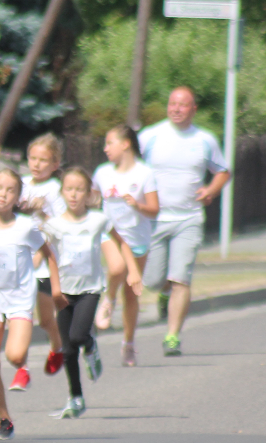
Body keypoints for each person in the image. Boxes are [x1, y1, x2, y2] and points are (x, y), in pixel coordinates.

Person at [0, 168, 64, 440]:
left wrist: (56, 291)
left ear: (17, 196)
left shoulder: (25, 228)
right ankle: (4, 420)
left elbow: (50, 255)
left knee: (15, 356)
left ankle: (24, 368)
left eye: (10, 190)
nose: (3, 194)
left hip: (20, 300)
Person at [42, 167, 142, 419]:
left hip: (90, 289)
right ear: (62, 192)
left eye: (79, 190)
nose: (73, 195)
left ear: (89, 193)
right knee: (67, 350)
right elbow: (44, 254)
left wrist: (133, 271)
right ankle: (75, 398)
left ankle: (91, 345)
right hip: (64, 291)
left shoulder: (98, 219)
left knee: (77, 335)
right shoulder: (54, 225)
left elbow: (121, 242)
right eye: (69, 189)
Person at [140, 87, 230, 356]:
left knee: (182, 278)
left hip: (189, 218)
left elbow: (223, 171)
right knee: (152, 281)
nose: (176, 109)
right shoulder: (150, 136)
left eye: (183, 105)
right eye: (172, 104)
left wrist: (211, 190)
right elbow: (132, 167)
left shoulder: (204, 140)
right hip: (155, 219)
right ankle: (163, 291)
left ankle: (172, 336)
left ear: (194, 109)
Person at [91, 125, 159, 366]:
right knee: (118, 268)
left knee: (132, 293)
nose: (105, 148)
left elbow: (154, 209)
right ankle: (108, 299)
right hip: (110, 235)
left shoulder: (144, 173)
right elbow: (92, 198)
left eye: (110, 143)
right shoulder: (102, 172)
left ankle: (128, 344)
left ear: (126, 144)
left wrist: (137, 205)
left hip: (138, 239)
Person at [15, 133, 68, 383]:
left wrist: (43, 212)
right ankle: (21, 368)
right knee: (21, 316)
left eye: (43, 160)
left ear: (55, 164)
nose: (36, 164)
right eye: (32, 158)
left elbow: (61, 228)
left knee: (46, 319)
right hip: (21, 259)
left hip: (47, 263)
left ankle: (57, 346)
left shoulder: (57, 190)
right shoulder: (21, 184)